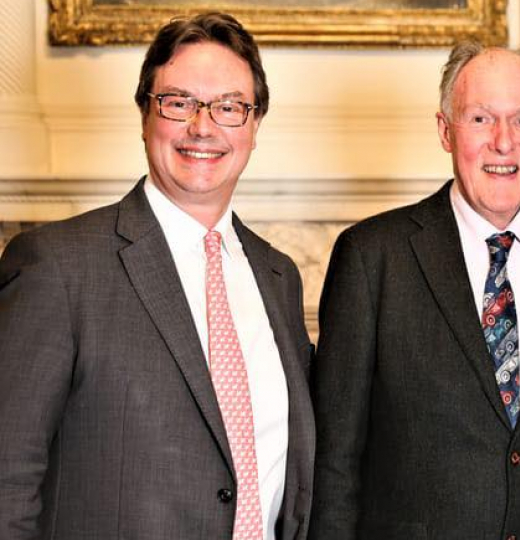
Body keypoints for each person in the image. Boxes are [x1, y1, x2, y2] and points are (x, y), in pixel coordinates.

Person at [0, 13, 314, 540]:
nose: (203, 127)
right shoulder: (56, 267)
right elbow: (7, 481)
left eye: (230, 106)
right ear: (145, 113)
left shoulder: (278, 276)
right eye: (179, 102)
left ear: (254, 126)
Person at [309, 41, 520, 540]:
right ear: (445, 130)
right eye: (481, 119)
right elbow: (333, 462)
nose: (504, 142)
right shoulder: (373, 258)